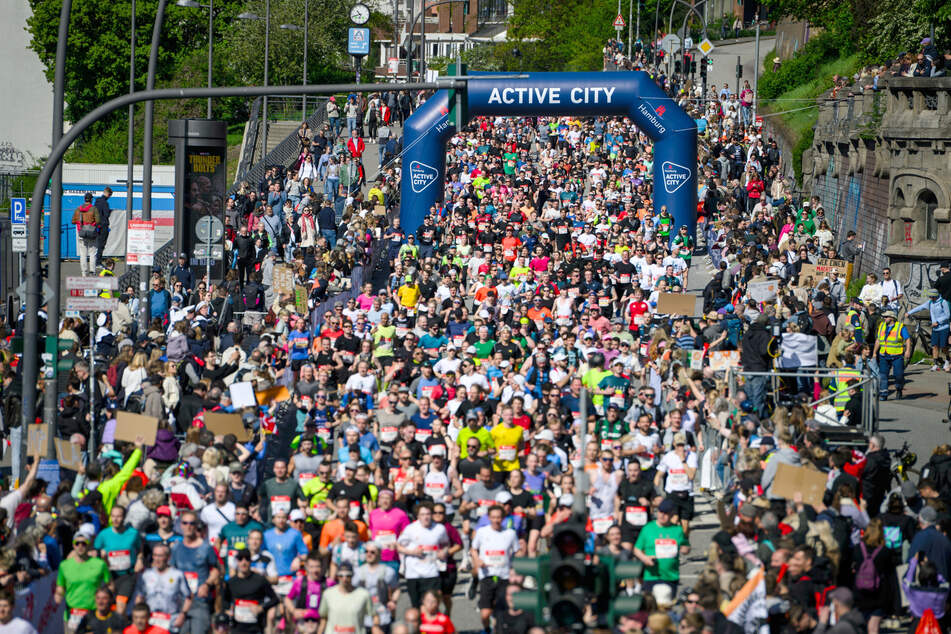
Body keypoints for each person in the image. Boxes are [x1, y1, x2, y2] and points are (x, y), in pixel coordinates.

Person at [56, 528, 111, 632]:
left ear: (89, 545)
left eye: (84, 543)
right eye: (77, 543)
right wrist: (58, 597)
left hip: (93, 613)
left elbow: (110, 585)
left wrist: (107, 603)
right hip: (72, 614)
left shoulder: (99, 564)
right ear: (73, 545)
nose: (80, 546)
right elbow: (60, 588)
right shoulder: (64, 566)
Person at [133, 543, 193, 633]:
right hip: (151, 620)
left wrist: (183, 615)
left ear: (168, 557)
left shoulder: (177, 575)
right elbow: (139, 597)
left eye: (160, 556)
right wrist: (137, 617)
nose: (157, 559)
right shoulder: (146, 575)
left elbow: (188, 597)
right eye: (155, 555)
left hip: (171, 620)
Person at [632, 498, 688, 593]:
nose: (662, 515)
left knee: (667, 605)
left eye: (666, 513)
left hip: (671, 576)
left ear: (672, 515)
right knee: (651, 606)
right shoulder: (648, 528)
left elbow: (686, 547)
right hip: (651, 576)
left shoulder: (677, 530)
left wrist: (685, 549)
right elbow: (637, 549)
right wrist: (645, 558)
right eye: (660, 512)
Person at [223, 548, 280, 634]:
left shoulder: (260, 580)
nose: (244, 562)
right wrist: (228, 610)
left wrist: (261, 608)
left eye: (247, 559)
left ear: (251, 561)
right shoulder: (231, 582)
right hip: (237, 628)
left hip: (256, 628)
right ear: (237, 562)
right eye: (240, 559)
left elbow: (275, 599)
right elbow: (225, 601)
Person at [318, 562, 383, 634]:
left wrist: (375, 626)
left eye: (348, 576)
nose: (344, 579)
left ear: (352, 576)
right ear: (337, 576)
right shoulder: (328, 594)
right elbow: (323, 618)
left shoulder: (363, 594)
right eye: (341, 576)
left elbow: (374, 615)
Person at [873, 310, 910, 400]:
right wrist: (874, 353)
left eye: (886, 317)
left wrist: (907, 351)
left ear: (892, 318)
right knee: (883, 375)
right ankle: (883, 394)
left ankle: (899, 389)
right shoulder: (881, 326)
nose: (884, 318)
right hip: (883, 355)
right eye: (884, 317)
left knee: (898, 375)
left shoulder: (900, 327)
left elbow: (907, 339)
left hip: (897, 355)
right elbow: (878, 340)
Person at [72, 192, 101, 277]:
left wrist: (81, 223)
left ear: (84, 199)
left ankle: (84, 273)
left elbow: (73, 221)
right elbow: (98, 221)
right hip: (92, 233)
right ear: (91, 199)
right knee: (92, 253)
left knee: (83, 254)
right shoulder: (94, 209)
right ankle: (92, 272)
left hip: (81, 233)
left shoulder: (78, 209)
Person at [93, 187, 113, 268]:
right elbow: (106, 214)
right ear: (108, 194)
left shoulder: (97, 202)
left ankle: (95, 261)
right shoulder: (105, 203)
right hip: (103, 226)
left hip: (96, 225)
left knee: (96, 245)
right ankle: (98, 262)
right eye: (110, 195)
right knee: (101, 245)